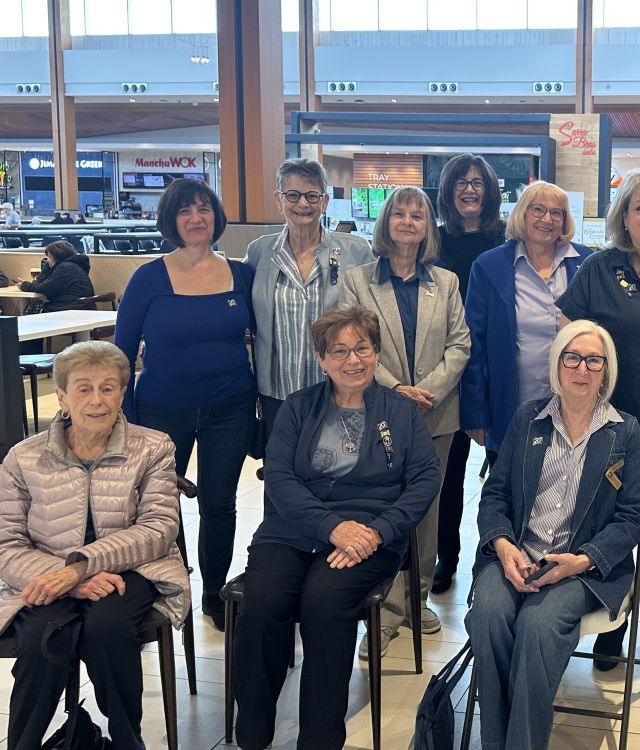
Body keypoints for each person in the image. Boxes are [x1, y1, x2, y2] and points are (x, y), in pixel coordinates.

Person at [233, 307, 441, 750]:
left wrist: (379, 531)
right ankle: (252, 731)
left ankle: (320, 739)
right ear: (321, 359)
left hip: (369, 536)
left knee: (324, 601)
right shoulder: (299, 406)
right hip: (292, 528)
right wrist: (332, 527)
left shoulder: (400, 412)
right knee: (264, 599)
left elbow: (424, 480)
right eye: (340, 351)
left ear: (376, 353)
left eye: (362, 348)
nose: (353, 360)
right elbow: (281, 478)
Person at [464, 320, 640, 750]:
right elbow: (494, 494)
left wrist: (582, 560)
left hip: (580, 568)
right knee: (489, 616)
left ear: (606, 370)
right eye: (572, 358)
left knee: (538, 624)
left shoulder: (624, 432)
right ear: (557, 364)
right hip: (515, 555)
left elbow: (633, 518)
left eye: (593, 360)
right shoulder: (529, 419)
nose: (581, 369)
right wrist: (504, 545)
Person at [0, 341, 190, 750]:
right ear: (62, 397)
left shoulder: (153, 447)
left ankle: (126, 739)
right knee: (40, 639)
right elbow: (6, 542)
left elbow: (158, 529)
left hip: (133, 569)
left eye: (108, 388)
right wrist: (67, 579)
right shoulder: (23, 457)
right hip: (45, 572)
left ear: (123, 393)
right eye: (83, 388)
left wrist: (80, 567)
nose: (97, 400)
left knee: (107, 629)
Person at [556, 166, 640, 668]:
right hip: (616, 424)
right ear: (625, 218)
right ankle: (612, 610)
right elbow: (569, 340)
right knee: (616, 521)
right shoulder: (600, 269)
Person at [115, 178, 255, 631]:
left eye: (204, 209)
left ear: (215, 215)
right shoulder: (148, 278)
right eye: (185, 212)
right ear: (170, 221)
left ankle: (213, 591)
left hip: (229, 406)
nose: (196, 219)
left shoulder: (241, 274)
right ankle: (168, 587)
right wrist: (130, 421)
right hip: (160, 409)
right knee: (160, 508)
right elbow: (121, 353)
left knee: (219, 502)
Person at [340, 185, 470, 656]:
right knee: (381, 507)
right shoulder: (358, 281)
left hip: (436, 414)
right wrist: (396, 389)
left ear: (428, 227)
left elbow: (460, 345)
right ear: (386, 222)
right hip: (377, 408)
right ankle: (381, 609)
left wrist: (428, 391)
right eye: (400, 213)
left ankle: (417, 599)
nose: (409, 220)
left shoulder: (447, 282)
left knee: (427, 510)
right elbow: (352, 342)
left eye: (419, 214)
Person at [460, 181, 592, 465]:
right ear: (522, 214)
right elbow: (473, 344)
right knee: (510, 495)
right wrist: (475, 412)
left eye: (557, 213)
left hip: (575, 405)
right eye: (538, 210)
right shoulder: (489, 266)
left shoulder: (587, 263)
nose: (547, 219)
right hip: (510, 405)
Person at [245, 158, 373, 438]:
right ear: (280, 200)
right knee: (280, 471)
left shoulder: (356, 251)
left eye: (311, 196)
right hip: (276, 390)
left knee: (336, 469)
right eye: (293, 195)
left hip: (336, 387)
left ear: (324, 201)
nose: (302, 204)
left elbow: (373, 320)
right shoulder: (259, 252)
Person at [433, 154, 507, 595]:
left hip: (495, 369)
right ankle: (446, 555)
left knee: (503, 471)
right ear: (448, 191)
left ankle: (500, 557)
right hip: (444, 368)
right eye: (461, 182)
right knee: (448, 471)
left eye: (478, 182)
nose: (470, 189)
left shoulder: (506, 240)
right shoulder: (434, 242)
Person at [10, 240, 94, 313]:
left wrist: (24, 285)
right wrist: (48, 266)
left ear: (58, 257)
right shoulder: (72, 266)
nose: (48, 260)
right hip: (77, 307)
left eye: (50, 257)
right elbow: (40, 284)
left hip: (71, 309)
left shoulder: (65, 268)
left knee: (33, 308)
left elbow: (44, 288)